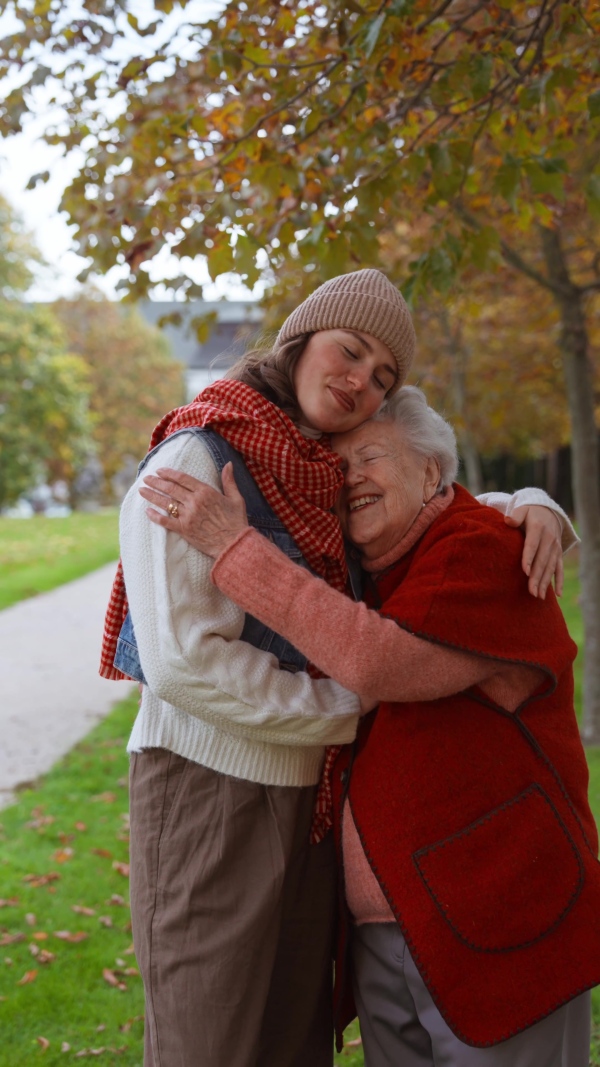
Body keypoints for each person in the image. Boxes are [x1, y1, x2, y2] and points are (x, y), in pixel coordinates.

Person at [102, 269, 572, 1067]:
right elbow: (184, 662)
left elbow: (430, 505)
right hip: (212, 788)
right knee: (207, 1043)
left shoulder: (315, 471)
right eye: (350, 351)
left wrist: (534, 503)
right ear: (300, 341)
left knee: (294, 1042)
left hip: (308, 806)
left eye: (385, 376)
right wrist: (347, 708)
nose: (361, 381)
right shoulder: (197, 452)